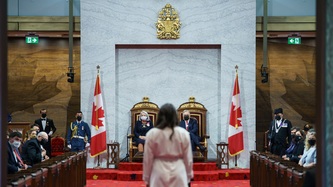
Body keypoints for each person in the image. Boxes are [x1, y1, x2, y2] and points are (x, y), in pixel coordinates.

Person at [143, 103, 193, 187]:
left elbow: (147, 159)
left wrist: (147, 178)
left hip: (158, 171)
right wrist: (188, 176)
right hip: (178, 170)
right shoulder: (183, 133)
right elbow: (188, 158)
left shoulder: (152, 133)